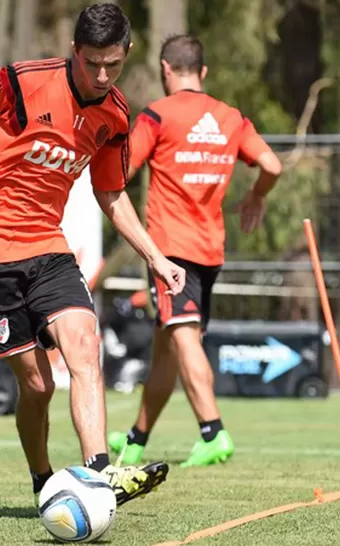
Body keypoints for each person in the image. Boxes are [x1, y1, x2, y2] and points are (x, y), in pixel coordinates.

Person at [0, 3, 185, 506]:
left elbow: (112, 194)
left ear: (128, 55)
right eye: (91, 62)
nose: (100, 74)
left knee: (84, 344)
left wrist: (155, 256)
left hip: (47, 247)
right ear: (74, 50)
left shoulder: (115, 115)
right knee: (38, 385)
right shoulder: (22, 81)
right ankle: (43, 478)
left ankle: (98, 475)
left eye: (112, 64)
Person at [107, 35, 282, 467]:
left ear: (166, 69)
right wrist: (257, 195)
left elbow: (119, 172)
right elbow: (273, 165)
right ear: (202, 72)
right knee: (166, 349)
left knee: (184, 338)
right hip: (210, 249)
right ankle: (136, 440)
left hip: (170, 252)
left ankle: (213, 430)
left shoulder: (157, 116)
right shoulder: (231, 117)